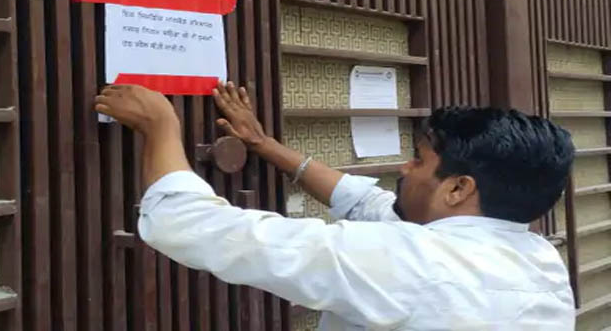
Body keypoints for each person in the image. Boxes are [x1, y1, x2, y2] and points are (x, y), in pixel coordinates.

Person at [94, 81, 576, 330]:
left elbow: (187, 224)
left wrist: (160, 126)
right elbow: (373, 205)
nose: (404, 170)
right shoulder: (537, 261)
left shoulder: (409, 264)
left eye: (420, 161)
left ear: (457, 189)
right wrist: (266, 146)